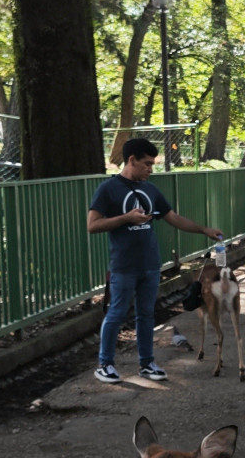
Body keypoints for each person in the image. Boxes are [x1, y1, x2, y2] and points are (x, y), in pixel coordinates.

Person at [89, 138, 222, 383]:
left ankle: (147, 363)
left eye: (153, 164)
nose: (151, 169)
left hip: (150, 264)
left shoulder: (150, 189)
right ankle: (105, 364)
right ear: (132, 160)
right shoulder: (109, 189)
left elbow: (173, 217)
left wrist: (204, 230)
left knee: (146, 314)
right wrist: (126, 218)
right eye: (147, 164)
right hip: (124, 265)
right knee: (117, 313)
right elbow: (93, 225)